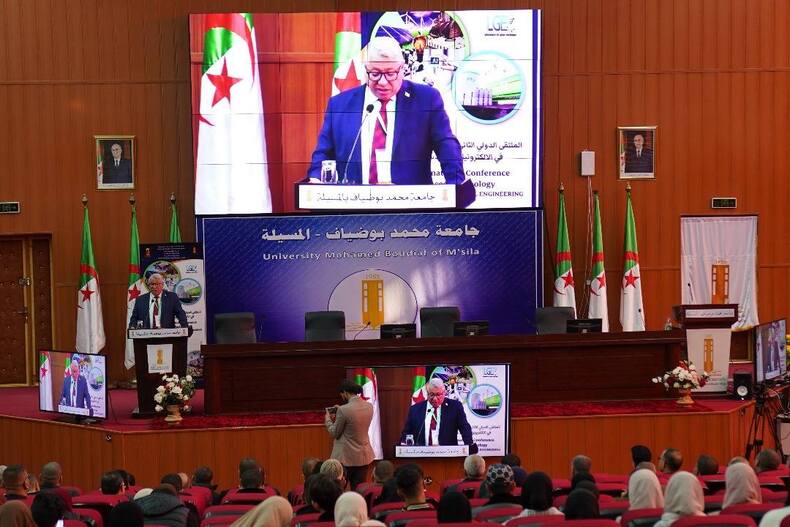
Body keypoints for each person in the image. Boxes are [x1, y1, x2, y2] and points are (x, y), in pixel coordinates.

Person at [307, 36, 464, 185]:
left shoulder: (426, 99)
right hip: (355, 201)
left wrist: (456, 185)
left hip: (410, 202)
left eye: (390, 73)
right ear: (365, 70)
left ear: (402, 69)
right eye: (375, 74)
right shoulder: (340, 105)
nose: (382, 82)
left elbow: (445, 144)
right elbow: (323, 153)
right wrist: (315, 180)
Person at [325, 380, 375, 490]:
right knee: (359, 489)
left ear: (345, 393)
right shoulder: (369, 406)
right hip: (363, 457)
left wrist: (328, 419)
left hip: (346, 458)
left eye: (342, 394)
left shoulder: (343, 410)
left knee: (337, 489)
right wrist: (340, 411)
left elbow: (335, 433)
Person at [400, 378, 475, 449]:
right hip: (421, 454)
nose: (435, 399)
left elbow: (464, 428)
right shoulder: (415, 409)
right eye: (432, 394)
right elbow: (407, 432)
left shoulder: (455, 407)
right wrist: (403, 446)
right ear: (427, 393)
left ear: (444, 393)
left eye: (438, 394)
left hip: (447, 454)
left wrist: (469, 444)